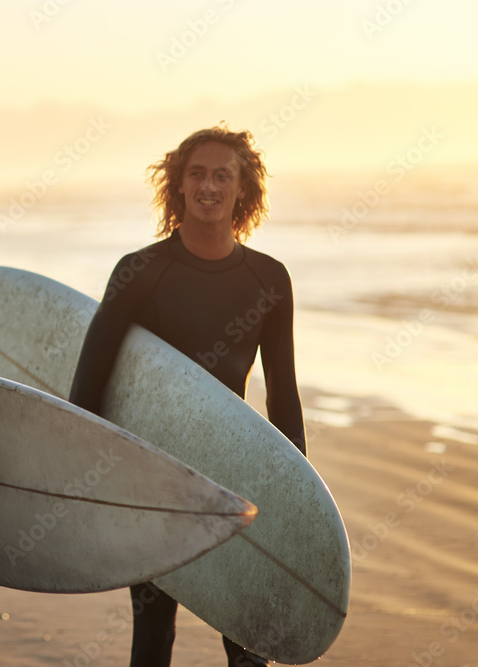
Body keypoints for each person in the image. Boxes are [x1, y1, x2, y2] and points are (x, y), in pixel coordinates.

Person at [69, 125, 306, 667]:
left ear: (243, 189)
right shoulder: (140, 272)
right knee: (153, 632)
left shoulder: (269, 279)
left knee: (248, 635)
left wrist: (296, 493)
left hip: (235, 470)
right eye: (196, 174)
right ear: (177, 185)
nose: (209, 186)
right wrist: (87, 481)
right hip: (156, 476)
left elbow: (284, 396)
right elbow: (89, 389)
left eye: (223, 175)